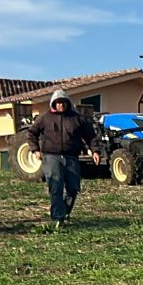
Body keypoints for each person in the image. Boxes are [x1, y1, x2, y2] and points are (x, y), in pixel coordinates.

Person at [26, 89, 94, 229]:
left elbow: (91, 136)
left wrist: (95, 151)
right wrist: (35, 150)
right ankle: (58, 218)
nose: (61, 105)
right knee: (55, 187)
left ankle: (65, 212)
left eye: (63, 102)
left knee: (73, 188)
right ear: (53, 104)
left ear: (68, 103)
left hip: (71, 157)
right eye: (58, 103)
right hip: (51, 157)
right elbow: (31, 133)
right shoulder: (44, 118)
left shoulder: (77, 119)